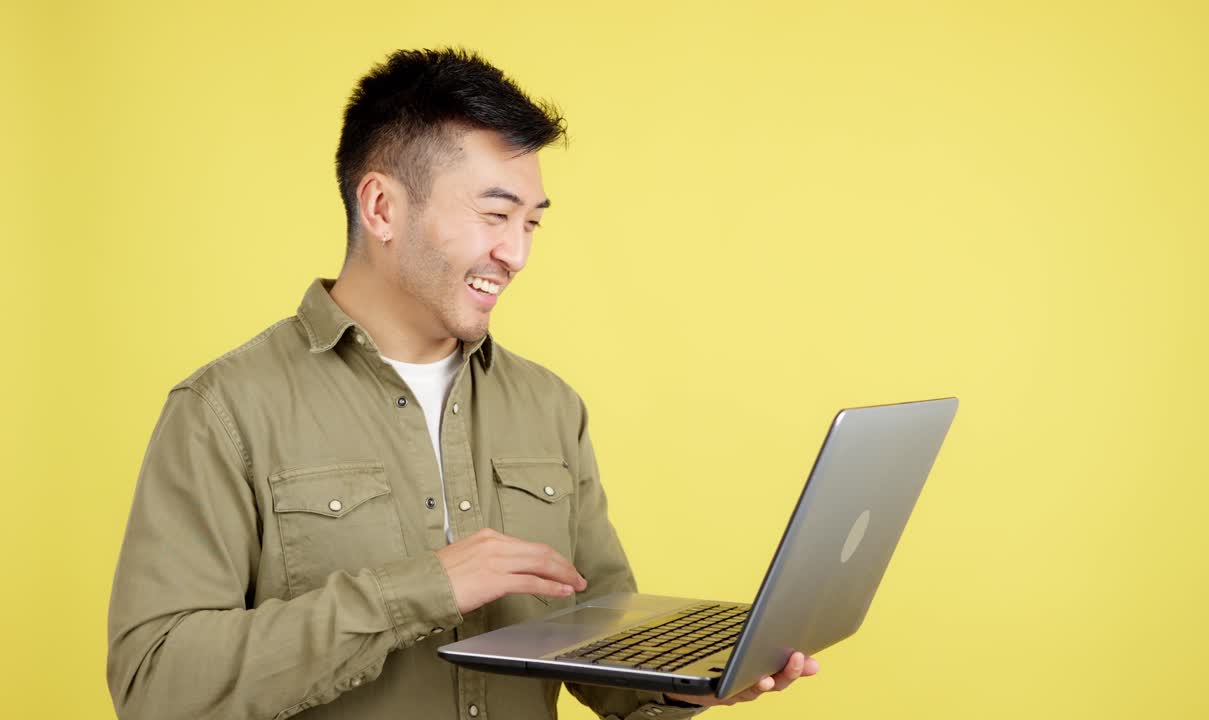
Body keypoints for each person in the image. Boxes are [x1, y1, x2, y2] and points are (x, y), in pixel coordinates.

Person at [106, 46, 818, 720]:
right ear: (382, 208)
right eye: (495, 215)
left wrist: (695, 680)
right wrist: (422, 588)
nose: (516, 253)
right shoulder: (225, 411)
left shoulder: (550, 406)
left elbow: (603, 658)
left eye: (531, 222)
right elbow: (154, 683)